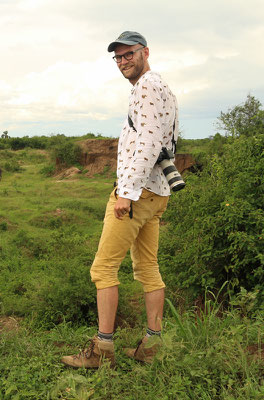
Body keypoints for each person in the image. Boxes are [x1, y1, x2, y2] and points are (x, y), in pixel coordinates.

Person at [61, 31, 178, 368]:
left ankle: (102, 350)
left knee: (103, 269)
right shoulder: (162, 87)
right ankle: (151, 346)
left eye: (130, 54)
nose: (124, 61)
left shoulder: (145, 87)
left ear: (145, 53)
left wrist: (125, 193)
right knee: (147, 268)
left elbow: (148, 143)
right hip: (157, 193)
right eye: (119, 57)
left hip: (138, 194)